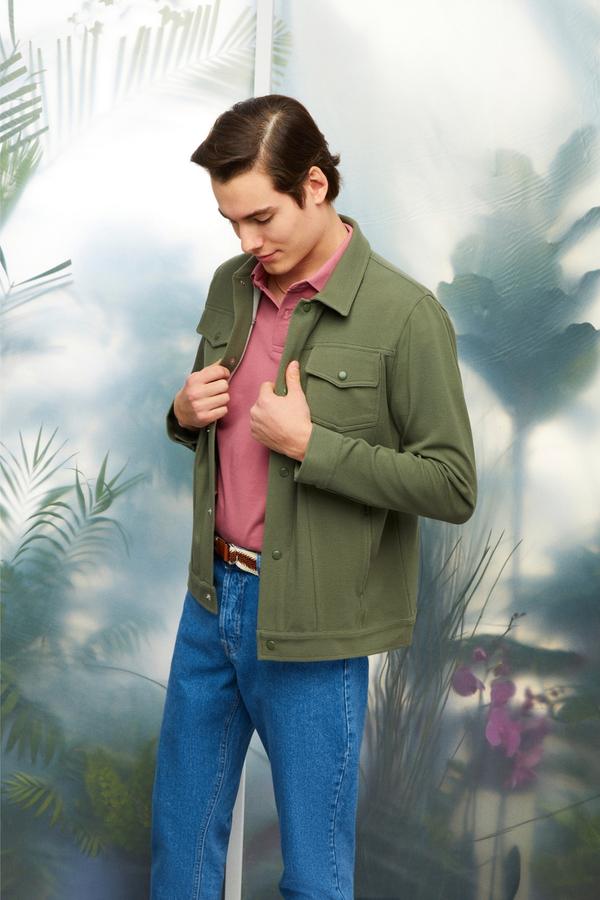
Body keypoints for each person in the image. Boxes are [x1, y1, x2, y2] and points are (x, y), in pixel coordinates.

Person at [150, 94, 477, 899]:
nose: (246, 242)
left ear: (316, 186)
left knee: (314, 877)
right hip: (209, 604)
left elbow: (452, 483)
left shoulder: (407, 316)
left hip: (314, 626)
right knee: (180, 856)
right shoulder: (232, 286)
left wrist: (313, 446)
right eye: (231, 222)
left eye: (261, 217)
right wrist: (182, 414)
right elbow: (219, 429)